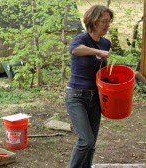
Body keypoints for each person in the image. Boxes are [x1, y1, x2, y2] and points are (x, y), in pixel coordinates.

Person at [65, 5, 114, 168]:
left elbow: (103, 71)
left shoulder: (106, 43)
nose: (107, 25)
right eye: (104, 21)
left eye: (109, 21)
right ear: (94, 21)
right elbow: (74, 50)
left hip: (96, 98)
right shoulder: (82, 39)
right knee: (85, 141)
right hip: (76, 96)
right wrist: (97, 52)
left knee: (91, 144)